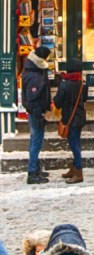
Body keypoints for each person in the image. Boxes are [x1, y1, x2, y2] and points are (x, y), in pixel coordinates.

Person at [52, 58, 88, 184]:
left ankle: (78, 172)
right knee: (75, 142)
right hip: (79, 117)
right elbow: (85, 98)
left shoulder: (65, 83)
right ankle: (74, 169)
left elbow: (58, 102)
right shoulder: (83, 82)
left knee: (74, 145)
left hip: (69, 118)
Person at [21, 46, 52, 185]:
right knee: (36, 142)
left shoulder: (33, 70)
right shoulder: (35, 76)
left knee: (36, 140)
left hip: (35, 112)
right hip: (36, 113)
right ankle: (32, 172)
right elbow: (34, 97)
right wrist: (40, 112)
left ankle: (36, 169)